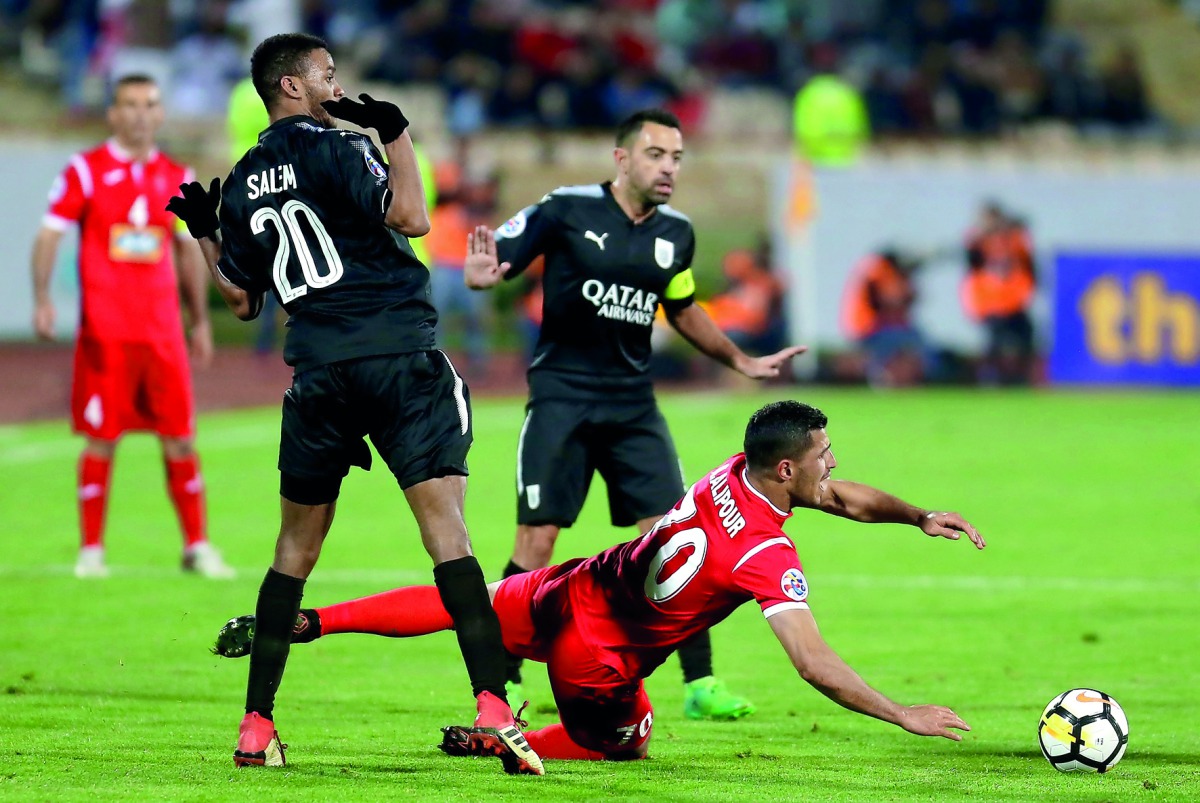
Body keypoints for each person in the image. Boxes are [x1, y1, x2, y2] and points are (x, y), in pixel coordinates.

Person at [212, 400, 986, 764]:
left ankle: (311, 621)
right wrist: (901, 713)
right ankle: (500, 741)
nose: (833, 465)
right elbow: (813, 664)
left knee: (464, 604)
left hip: (572, 584)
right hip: (597, 659)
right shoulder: (767, 554)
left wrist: (917, 514)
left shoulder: (731, 472)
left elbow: (843, 499)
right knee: (629, 738)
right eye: (824, 455)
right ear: (787, 469)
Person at [166, 33, 541, 775]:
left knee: (293, 551)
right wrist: (396, 134)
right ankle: (494, 707)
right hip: (397, 357)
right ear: (292, 85)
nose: (338, 88)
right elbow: (412, 219)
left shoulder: (242, 182)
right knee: (447, 532)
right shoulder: (341, 147)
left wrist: (206, 233)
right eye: (327, 75)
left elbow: (242, 301)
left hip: (318, 375)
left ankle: (255, 726)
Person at [463, 108, 806, 721]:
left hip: (633, 406)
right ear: (622, 159)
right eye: (656, 155)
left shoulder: (676, 233)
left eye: (676, 157)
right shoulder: (566, 208)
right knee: (536, 541)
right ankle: (501, 683)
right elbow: (498, 261)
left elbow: (683, 307)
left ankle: (700, 685)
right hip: (563, 398)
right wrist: (485, 275)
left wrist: (739, 359)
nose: (668, 167)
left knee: (682, 538)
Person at [30, 73, 232, 581]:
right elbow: (49, 234)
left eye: (150, 104)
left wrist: (200, 320)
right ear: (113, 113)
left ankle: (197, 547)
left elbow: (188, 252)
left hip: (163, 336)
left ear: (160, 114)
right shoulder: (86, 170)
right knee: (102, 439)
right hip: (106, 335)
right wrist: (43, 299)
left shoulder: (177, 175)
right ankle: (91, 552)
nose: (141, 114)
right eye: (131, 104)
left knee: (180, 439)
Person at [961, 202, 1037, 385]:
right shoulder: (979, 241)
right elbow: (971, 257)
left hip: (1014, 303)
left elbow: (1028, 265)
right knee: (996, 346)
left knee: (1024, 342)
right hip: (990, 304)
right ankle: (989, 380)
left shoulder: (1013, 239)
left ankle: (1020, 379)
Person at [841, 249, 929, 387]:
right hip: (871, 330)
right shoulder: (880, 272)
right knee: (916, 345)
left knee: (912, 344)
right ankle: (888, 380)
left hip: (867, 329)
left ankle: (890, 379)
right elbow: (894, 301)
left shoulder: (872, 270)